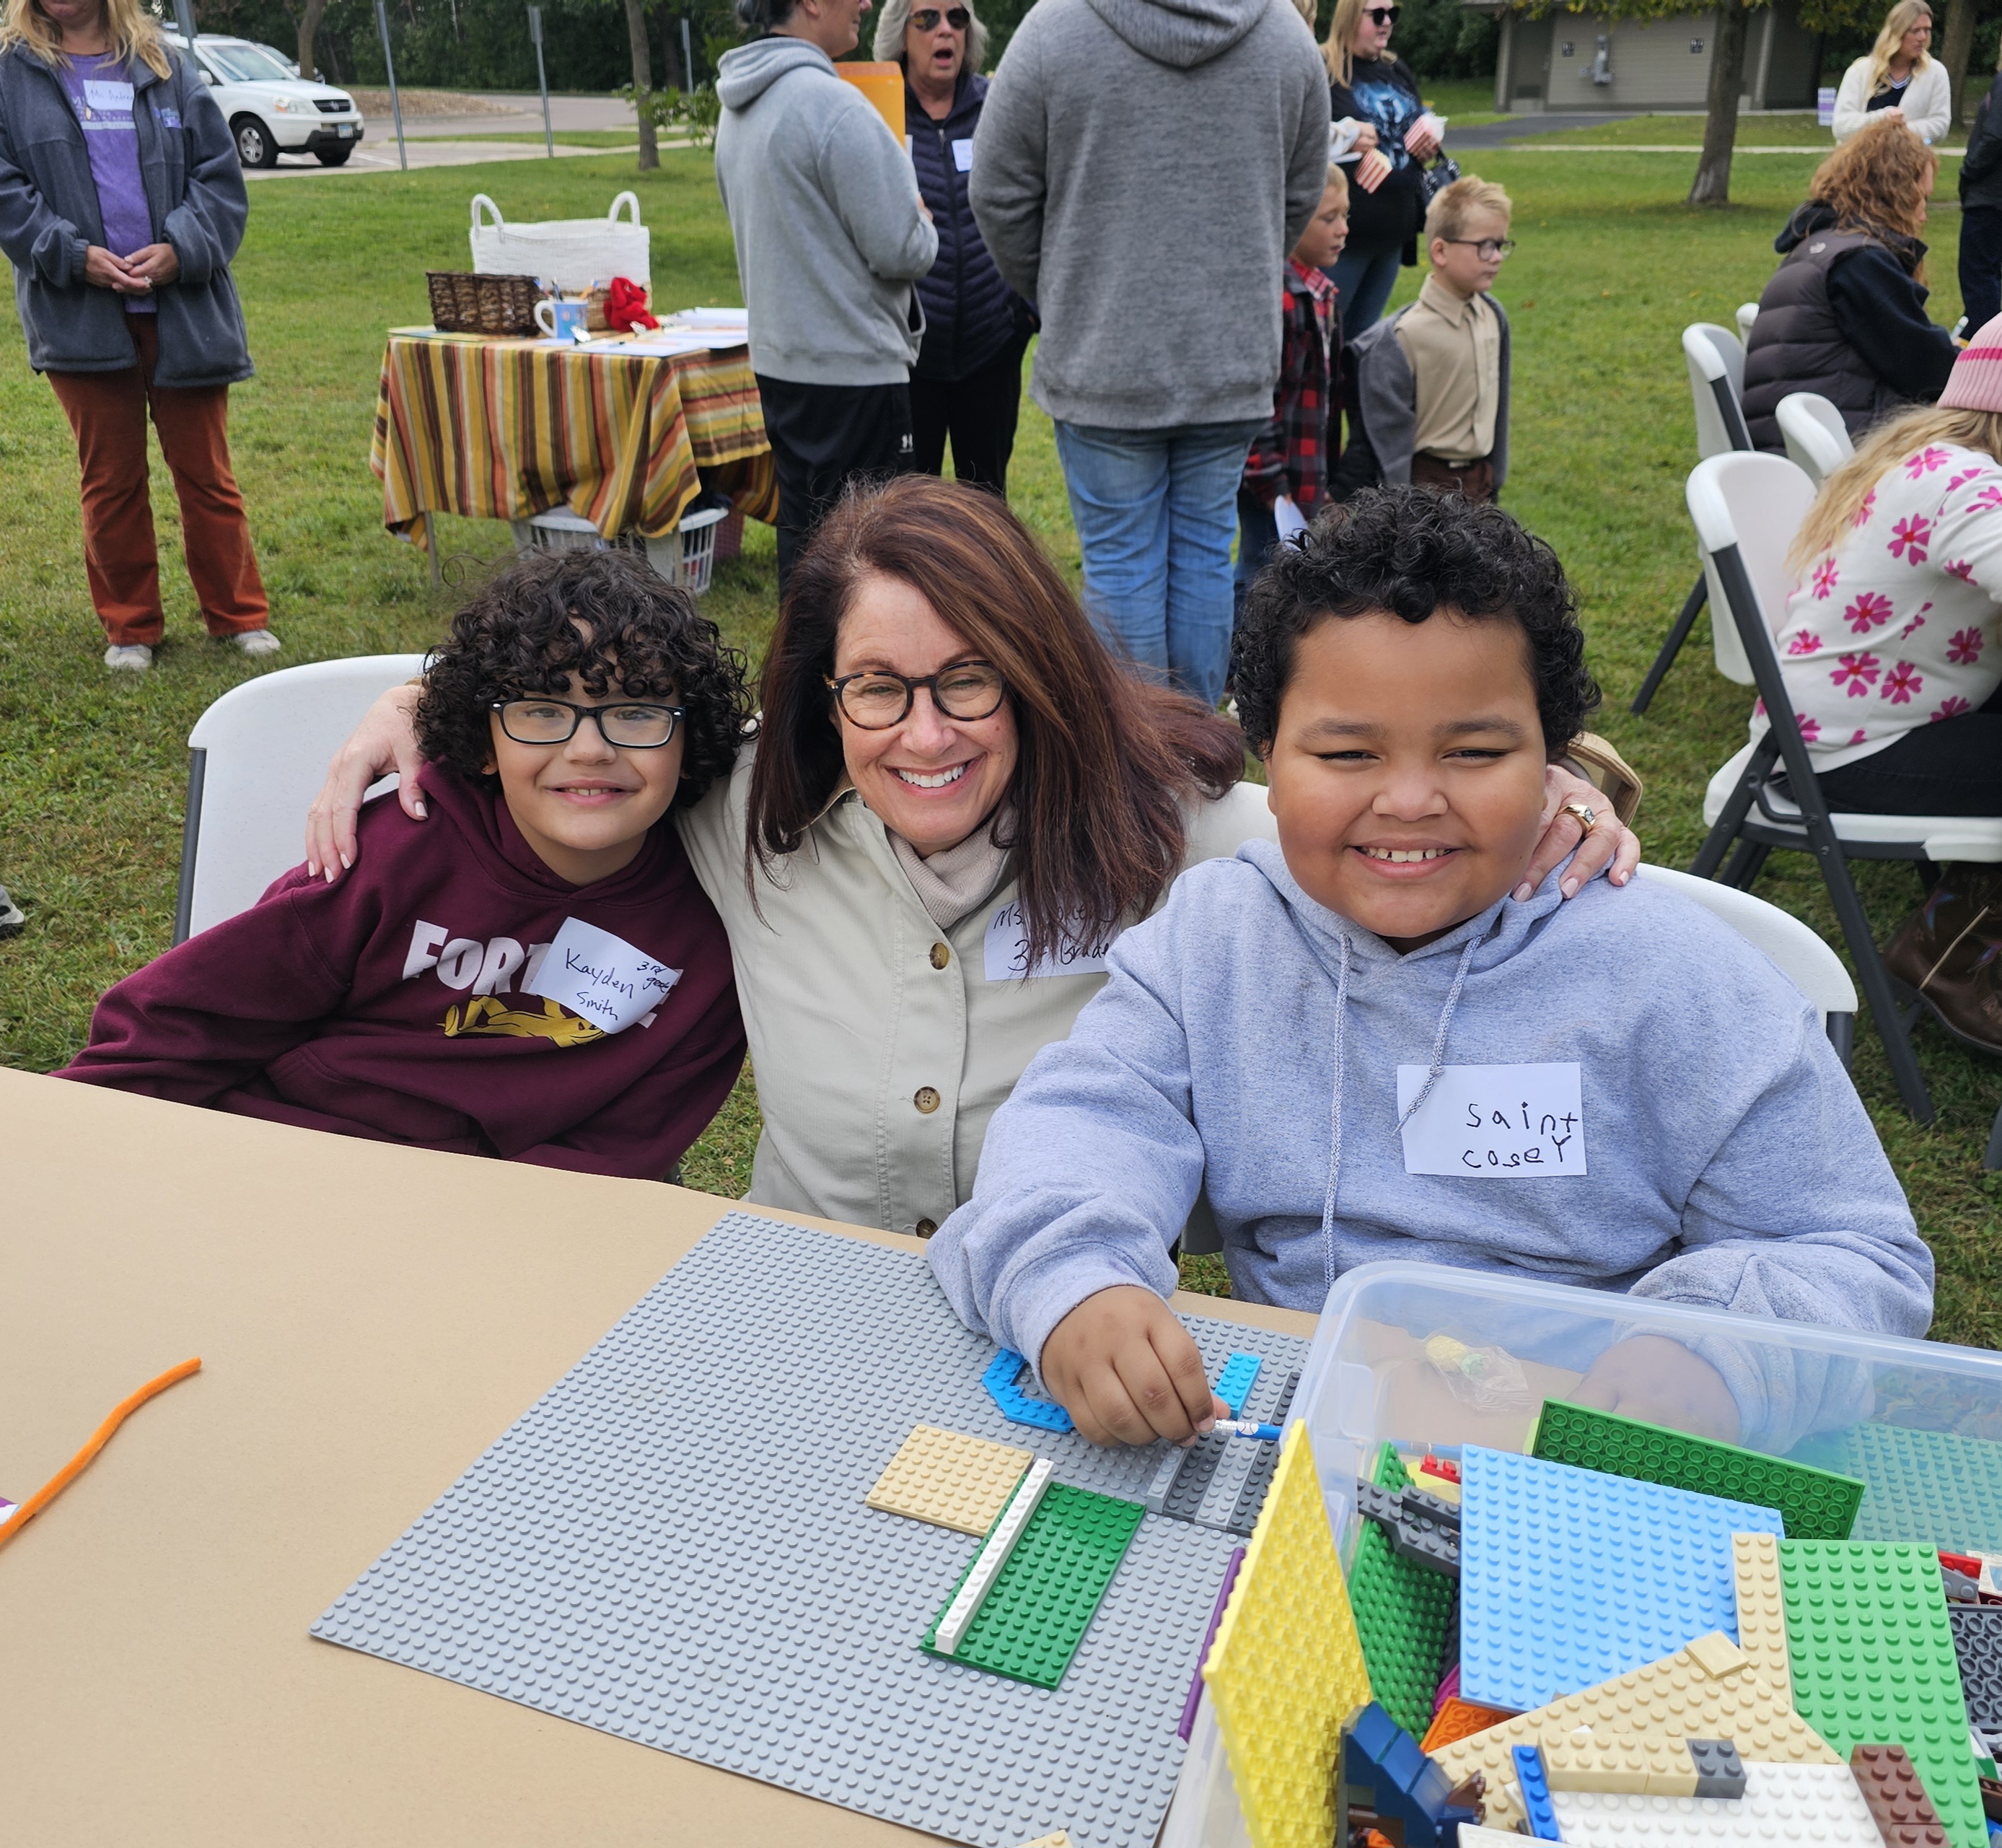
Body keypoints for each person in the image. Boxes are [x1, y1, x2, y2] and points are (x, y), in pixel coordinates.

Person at [303, 476, 1639, 1240]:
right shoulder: (746, 801)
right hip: (792, 1309)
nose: (924, 735)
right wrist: (419, 705)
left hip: (1063, 1334)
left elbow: (1369, 797)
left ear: (1040, 673)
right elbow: (581, 725)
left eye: (970, 681)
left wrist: (1547, 796)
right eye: (876, 687)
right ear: (822, 694)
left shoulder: (1179, 837)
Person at [928, 489, 1933, 1453]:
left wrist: (1712, 1355)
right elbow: (1084, 1122)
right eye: (1347, 754)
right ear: (1266, 759)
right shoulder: (1211, 944)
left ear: (1551, 764)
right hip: (1292, 1425)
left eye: (1473, 751)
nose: (1408, 800)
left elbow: (1850, 1251)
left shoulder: (1676, 982)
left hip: (1586, 1454)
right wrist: (1075, 1284)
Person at [59, 551, 748, 1183]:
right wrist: (68, 1147)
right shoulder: (396, 853)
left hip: (503, 1221)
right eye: (542, 710)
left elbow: (624, 1147)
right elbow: (175, 1022)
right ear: (482, 744)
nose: (591, 749)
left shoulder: (716, 928)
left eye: (635, 712)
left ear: (690, 739)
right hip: (276, 1161)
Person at [969, 0, 1331, 708]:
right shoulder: (1285, 35)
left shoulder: (1055, 27)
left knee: (1121, 569)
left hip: (1106, 356)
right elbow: (1299, 193)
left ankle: (1134, 766)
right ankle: (1190, 754)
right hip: (1227, 354)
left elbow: (996, 188)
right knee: (1202, 557)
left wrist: (1064, 289)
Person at [0, 0, 276, 673]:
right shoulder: (11, 77)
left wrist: (181, 248)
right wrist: (70, 255)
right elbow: (6, 190)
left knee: (206, 475)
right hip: (81, 316)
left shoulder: (165, 65)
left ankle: (239, 616)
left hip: (182, 312)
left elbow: (219, 179)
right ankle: (130, 627)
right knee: (111, 481)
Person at [1761, 336, 2002, 1051]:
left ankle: (1956, 927)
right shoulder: (1969, 487)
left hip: (1830, 726)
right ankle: (1950, 952)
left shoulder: (1935, 457)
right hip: (1849, 751)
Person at [714, 0, 936, 592]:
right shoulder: (833, 104)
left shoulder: (738, 107)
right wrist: (920, 219)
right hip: (855, 372)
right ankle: (856, 680)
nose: (866, 3)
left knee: (808, 550)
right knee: (871, 563)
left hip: (782, 366)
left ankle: (802, 683)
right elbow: (903, 248)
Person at [873, 0, 1031, 497]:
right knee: (907, 512)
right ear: (901, 33)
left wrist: (1022, 313)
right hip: (909, 352)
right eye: (928, 19)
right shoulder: (875, 111)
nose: (946, 30)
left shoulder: (998, 106)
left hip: (992, 346)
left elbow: (1038, 196)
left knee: (985, 507)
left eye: (957, 18)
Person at [1742, 118, 1957, 450]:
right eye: (1921, 198)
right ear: (1895, 193)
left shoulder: (1819, 246)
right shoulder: (1859, 261)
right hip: (1839, 447)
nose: (1923, 215)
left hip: (1797, 439)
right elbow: (1925, 369)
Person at [1333, 174, 1511, 504]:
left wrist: (1494, 477)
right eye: (1485, 246)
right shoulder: (1402, 337)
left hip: (1481, 488)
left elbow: (1498, 409)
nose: (1497, 256)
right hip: (1423, 492)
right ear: (1440, 251)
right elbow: (1378, 436)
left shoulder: (1493, 317)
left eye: (1501, 245)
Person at [1236, 163, 1348, 614]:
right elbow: (1258, 403)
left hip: (1303, 476)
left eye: (1345, 216)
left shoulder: (1321, 292)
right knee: (1260, 574)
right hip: (1271, 481)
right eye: (1328, 219)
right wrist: (1274, 485)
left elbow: (1322, 402)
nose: (1342, 230)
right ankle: (1240, 669)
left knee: (1288, 578)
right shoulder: (1280, 297)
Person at [1322, 0, 1444, 336]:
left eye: (1393, 14)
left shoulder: (1395, 69)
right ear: (1349, 16)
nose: (1387, 22)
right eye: (1377, 14)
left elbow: (1416, 122)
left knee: (1363, 341)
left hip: (1394, 230)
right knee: (1326, 336)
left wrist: (1428, 140)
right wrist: (1345, 138)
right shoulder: (1324, 68)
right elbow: (1298, 136)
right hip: (1345, 235)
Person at [1832, 0, 1949, 145]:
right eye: (1915, 31)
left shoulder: (1935, 72)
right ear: (1896, 32)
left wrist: (1899, 131)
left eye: (1927, 30)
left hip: (1910, 163)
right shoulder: (1860, 71)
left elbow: (1940, 126)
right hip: (1860, 164)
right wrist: (1883, 119)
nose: (1923, 38)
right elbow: (1841, 127)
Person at [1959, 48, 2002, 334]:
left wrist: (1969, 170)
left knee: (1977, 276)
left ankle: (1987, 349)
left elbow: (1995, 135)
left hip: (1989, 197)